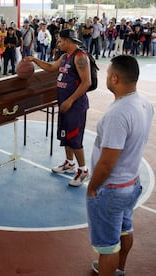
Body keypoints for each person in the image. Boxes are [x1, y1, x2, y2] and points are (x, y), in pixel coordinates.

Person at [87, 56, 154, 276]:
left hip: (112, 189)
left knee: (107, 247)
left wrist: (93, 187)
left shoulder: (118, 113)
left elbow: (107, 163)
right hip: (131, 183)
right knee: (125, 229)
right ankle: (119, 270)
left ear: (115, 78)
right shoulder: (144, 104)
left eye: (107, 74)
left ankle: (110, 267)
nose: (106, 77)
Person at [25, 29, 91, 187]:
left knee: (74, 139)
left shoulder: (80, 57)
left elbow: (86, 82)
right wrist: (34, 59)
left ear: (68, 40)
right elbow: (50, 67)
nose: (58, 43)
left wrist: (70, 100)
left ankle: (83, 170)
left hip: (75, 106)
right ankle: (69, 163)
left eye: (60, 41)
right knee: (66, 137)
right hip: (64, 104)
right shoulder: (64, 57)